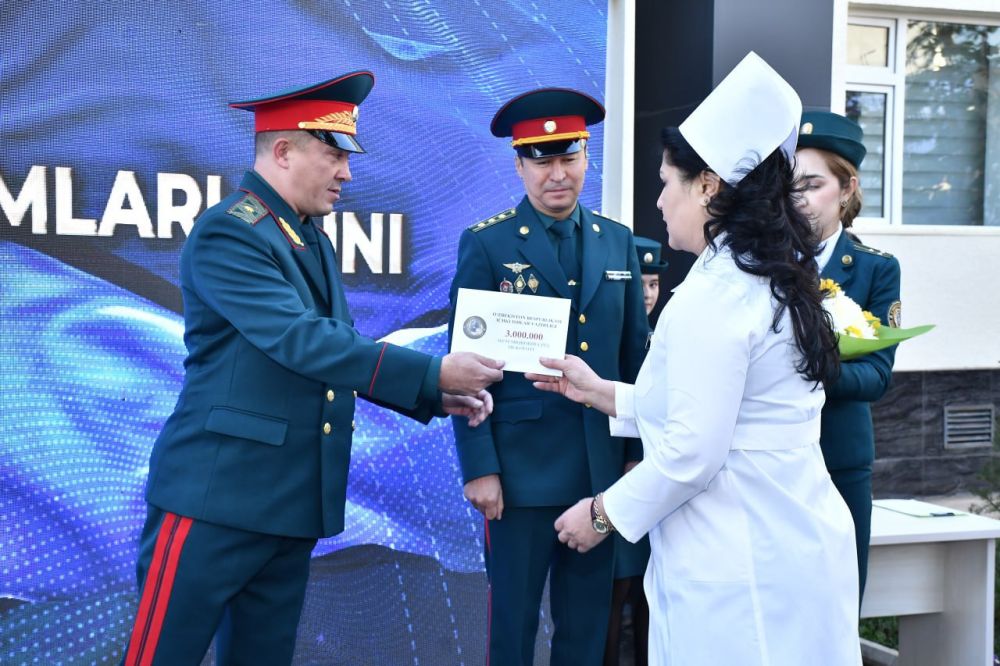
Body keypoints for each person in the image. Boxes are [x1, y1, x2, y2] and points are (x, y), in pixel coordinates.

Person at [120, 71, 504, 666]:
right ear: (282, 151)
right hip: (214, 504)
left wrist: (434, 394)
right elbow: (302, 341)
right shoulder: (230, 232)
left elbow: (335, 348)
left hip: (286, 507)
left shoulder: (308, 238)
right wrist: (431, 375)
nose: (346, 173)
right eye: (335, 155)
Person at [528, 53, 863, 664]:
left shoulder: (717, 295)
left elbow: (692, 451)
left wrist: (601, 515)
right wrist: (600, 392)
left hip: (740, 558)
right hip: (786, 539)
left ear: (708, 185)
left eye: (666, 182)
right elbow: (722, 409)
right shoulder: (764, 276)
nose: (658, 202)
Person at [449, 88, 649, 665]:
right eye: (542, 161)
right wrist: (480, 466)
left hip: (598, 473)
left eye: (569, 157)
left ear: (587, 157)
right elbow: (466, 371)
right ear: (519, 165)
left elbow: (635, 357)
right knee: (511, 632)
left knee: (587, 633)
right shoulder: (487, 244)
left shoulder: (617, 241)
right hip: (518, 477)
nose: (557, 174)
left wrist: (635, 456)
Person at [796, 110, 902, 601]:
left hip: (839, 457)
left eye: (812, 184)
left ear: (846, 188)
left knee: (837, 600)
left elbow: (876, 376)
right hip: (767, 459)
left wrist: (810, 368)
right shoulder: (758, 264)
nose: (797, 198)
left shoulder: (875, 269)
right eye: (788, 186)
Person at [603, 235, 664, 666]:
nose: (646, 294)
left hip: (663, 481)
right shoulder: (613, 336)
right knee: (617, 586)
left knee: (649, 592)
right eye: (639, 283)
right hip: (620, 475)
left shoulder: (671, 333)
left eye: (654, 284)